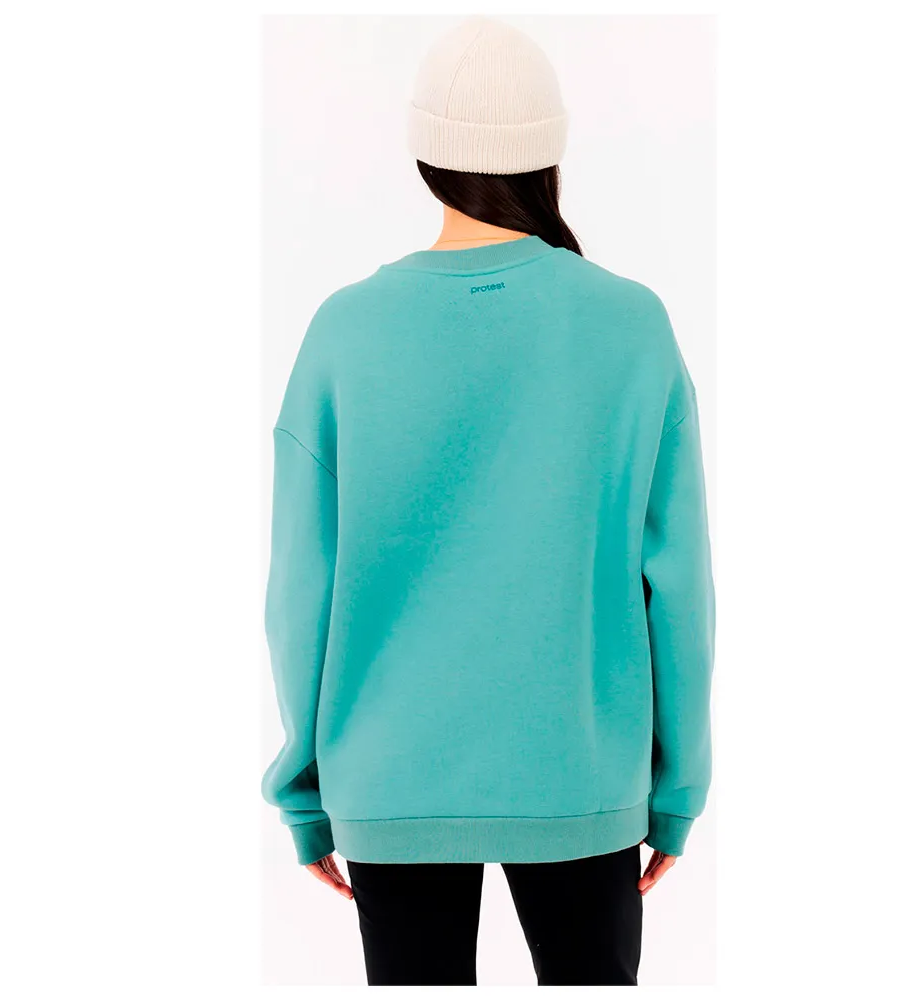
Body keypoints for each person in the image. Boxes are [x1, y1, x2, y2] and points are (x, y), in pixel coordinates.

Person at [262, 16, 715, 987]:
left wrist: (305, 790)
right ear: (548, 154)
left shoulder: (345, 333)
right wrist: (676, 789)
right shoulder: (631, 325)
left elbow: (302, 590)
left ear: (424, 153)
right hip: (581, 773)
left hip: (390, 776)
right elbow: (679, 587)